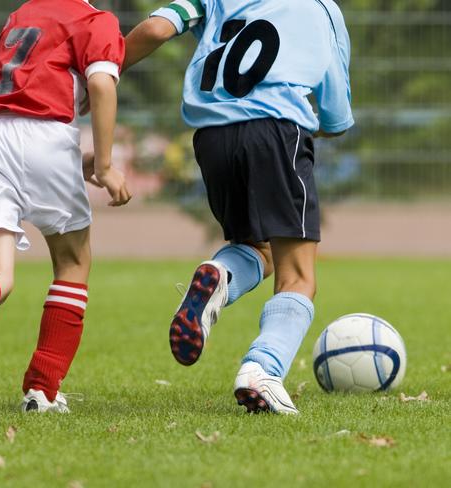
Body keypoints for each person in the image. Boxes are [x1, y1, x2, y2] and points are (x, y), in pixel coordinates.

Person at [124, 0, 354, 414]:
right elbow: (335, 119)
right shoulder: (322, 9)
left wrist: (101, 74)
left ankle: (221, 274)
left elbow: (157, 30)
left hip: (211, 137)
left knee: (256, 248)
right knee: (298, 276)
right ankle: (261, 370)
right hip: (276, 131)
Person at [0, 0, 130, 412]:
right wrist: (107, 164)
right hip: (44, 133)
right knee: (73, 263)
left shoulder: (21, 15)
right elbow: (101, 86)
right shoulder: (97, 19)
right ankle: (43, 390)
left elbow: (21, 89)